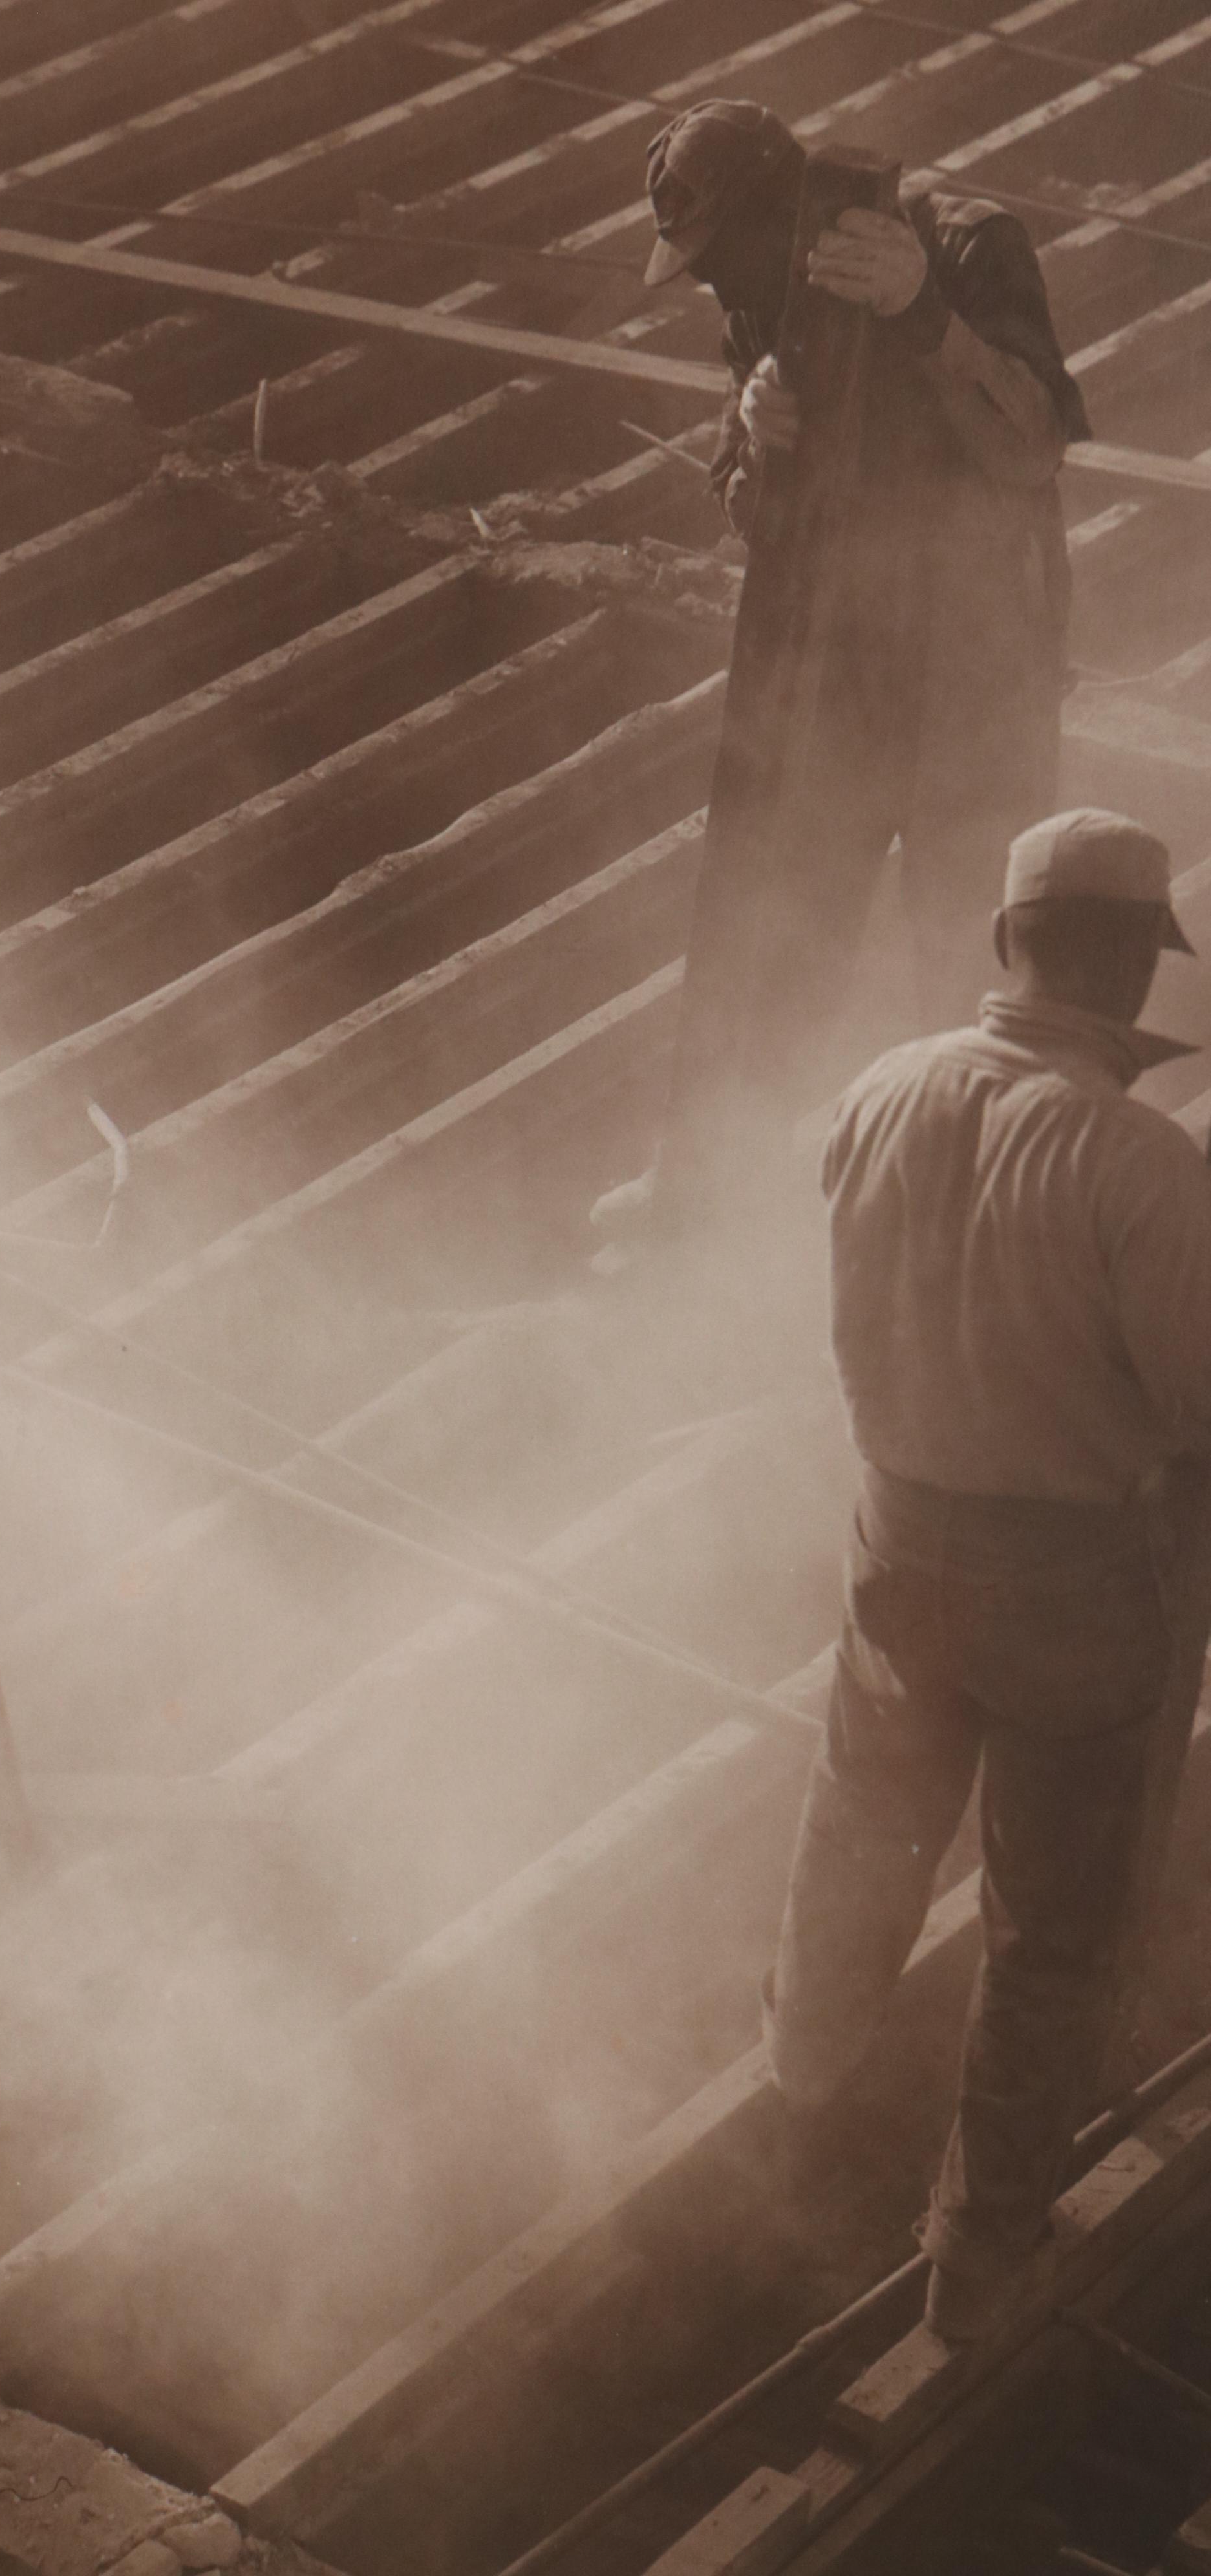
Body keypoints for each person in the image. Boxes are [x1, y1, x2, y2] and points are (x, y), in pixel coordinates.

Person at [763, 806, 1211, 2342]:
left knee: (859, 1835)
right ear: (1122, 963)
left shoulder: (878, 1091)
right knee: (1046, 1926)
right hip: (1071, 1584)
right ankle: (977, 2257)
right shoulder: (1137, 1164)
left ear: (1005, 941)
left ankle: (793, 2092)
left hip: (896, 1539)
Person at [645, 96, 1090, 1035]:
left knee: (973, 977)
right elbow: (752, 513)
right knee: (778, 962)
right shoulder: (761, 310)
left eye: (724, 255)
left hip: (980, 692)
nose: (719, 291)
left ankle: (960, 1167)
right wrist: (762, 441)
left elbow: (1035, 446)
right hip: (843, 691)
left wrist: (921, 312)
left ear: (782, 213)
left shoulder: (966, 249)